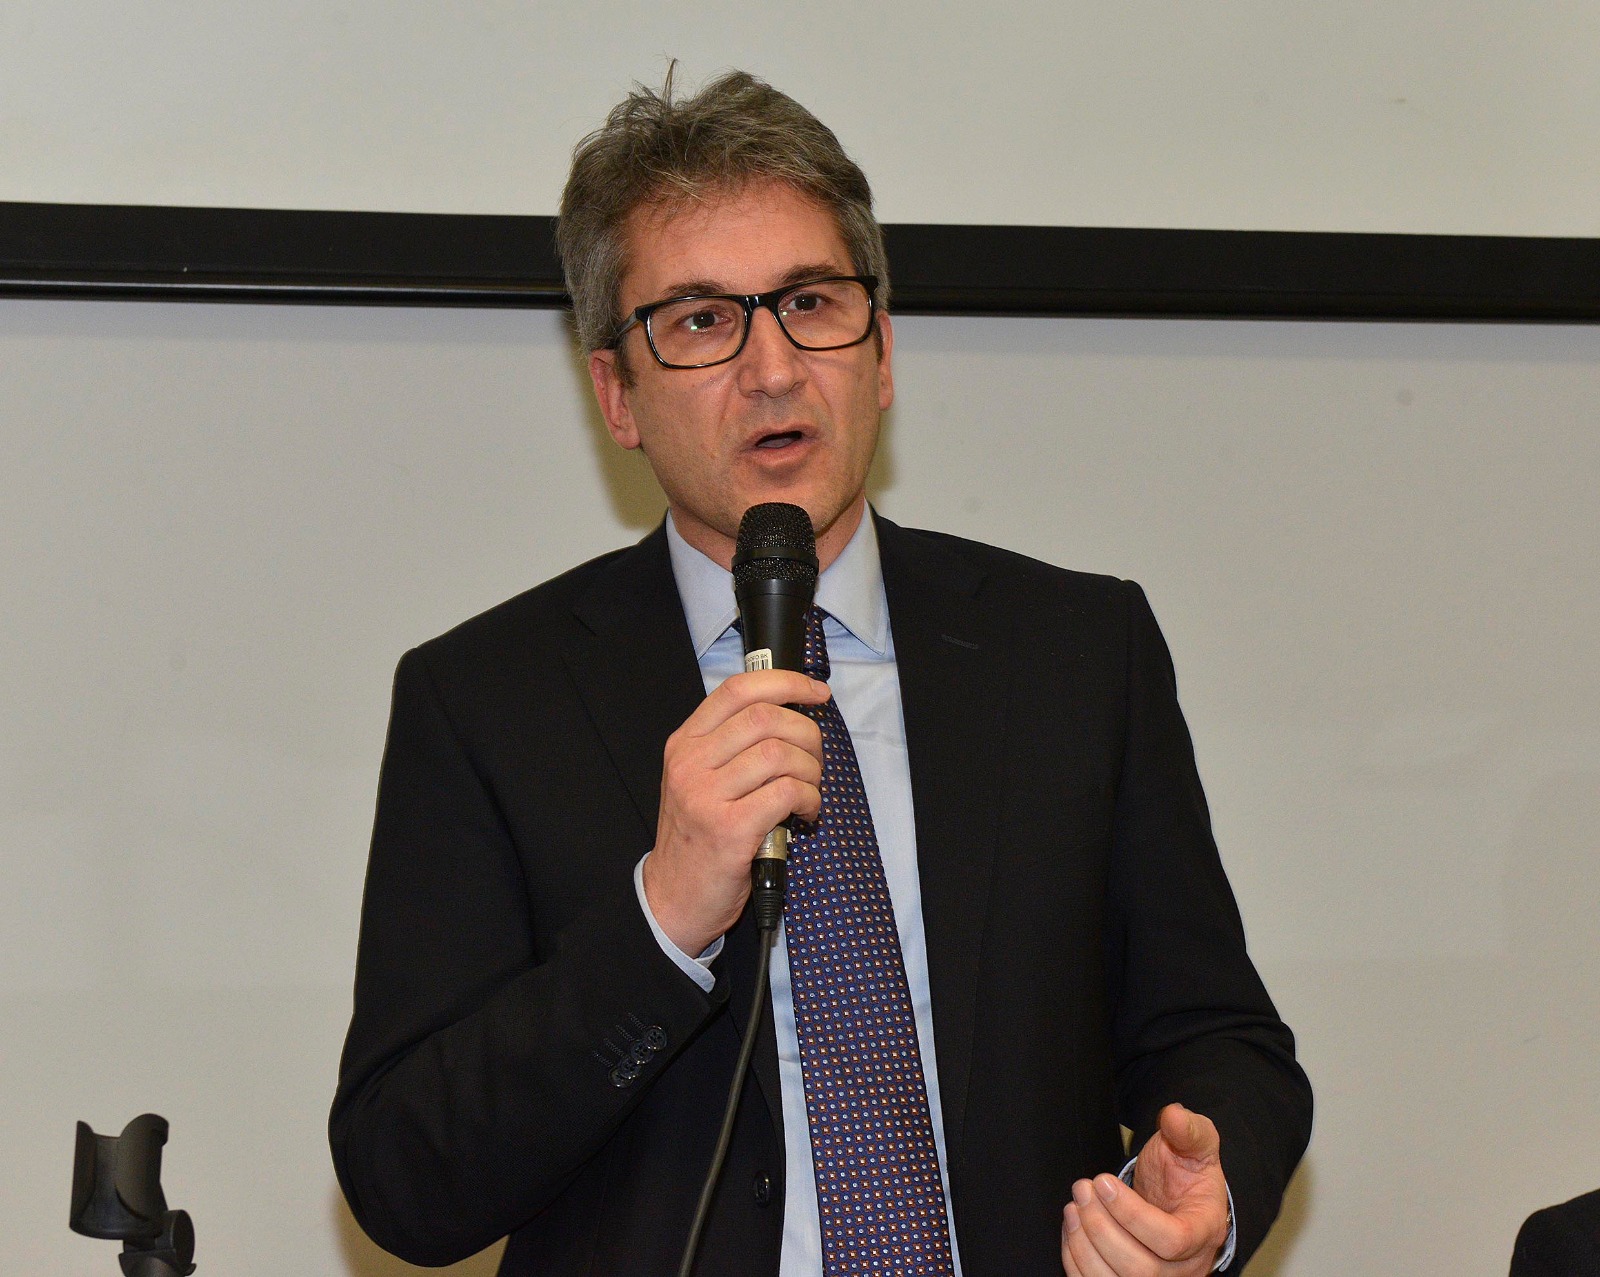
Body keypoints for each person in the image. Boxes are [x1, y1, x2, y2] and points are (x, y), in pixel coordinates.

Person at [330, 70, 1312, 1277]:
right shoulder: (486, 699)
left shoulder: (1074, 650)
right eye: (701, 321)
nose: (775, 368)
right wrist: (662, 914)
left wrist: (1204, 1199)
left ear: (882, 350)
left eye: (809, 302)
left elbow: (1218, 1038)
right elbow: (405, 1177)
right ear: (616, 393)